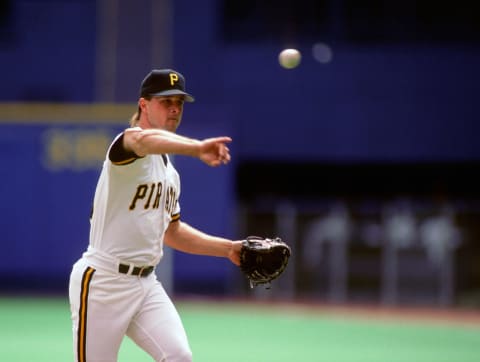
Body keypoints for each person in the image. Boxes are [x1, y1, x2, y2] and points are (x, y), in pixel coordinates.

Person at [68, 69, 243, 362]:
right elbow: (142, 141)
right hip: (103, 282)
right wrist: (198, 147)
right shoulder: (127, 146)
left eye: (179, 102)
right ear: (144, 105)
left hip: (146, 285)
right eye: (165, 101)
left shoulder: (169, 174)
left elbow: (171, 232)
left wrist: (228, 249)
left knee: (178, 356)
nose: (175, 107)